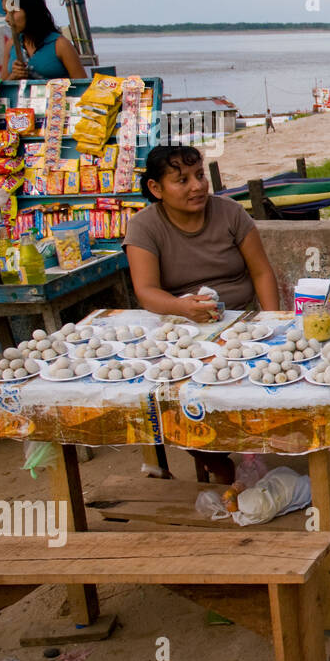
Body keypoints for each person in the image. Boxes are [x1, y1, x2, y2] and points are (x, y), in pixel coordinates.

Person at [124, 145, 281, 484]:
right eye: (181, 180)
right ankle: (209, 457)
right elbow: (146, 290)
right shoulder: (144, 226)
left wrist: (273, 322)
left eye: (199, 176)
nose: (196, 187)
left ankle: (247, 451)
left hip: (240, 326)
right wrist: (182, 307)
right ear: (156, 188)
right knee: (166, 393)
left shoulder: (230, 214)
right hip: (179, 329)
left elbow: (261, 272)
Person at [0, 0, 87, 81]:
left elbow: (83, 86)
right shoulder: (11, 44)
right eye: (5, 12)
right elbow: (3, 88)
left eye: (13, 12)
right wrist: (14, 76)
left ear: (30, 11)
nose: (7, 19)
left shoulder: (60, 45)